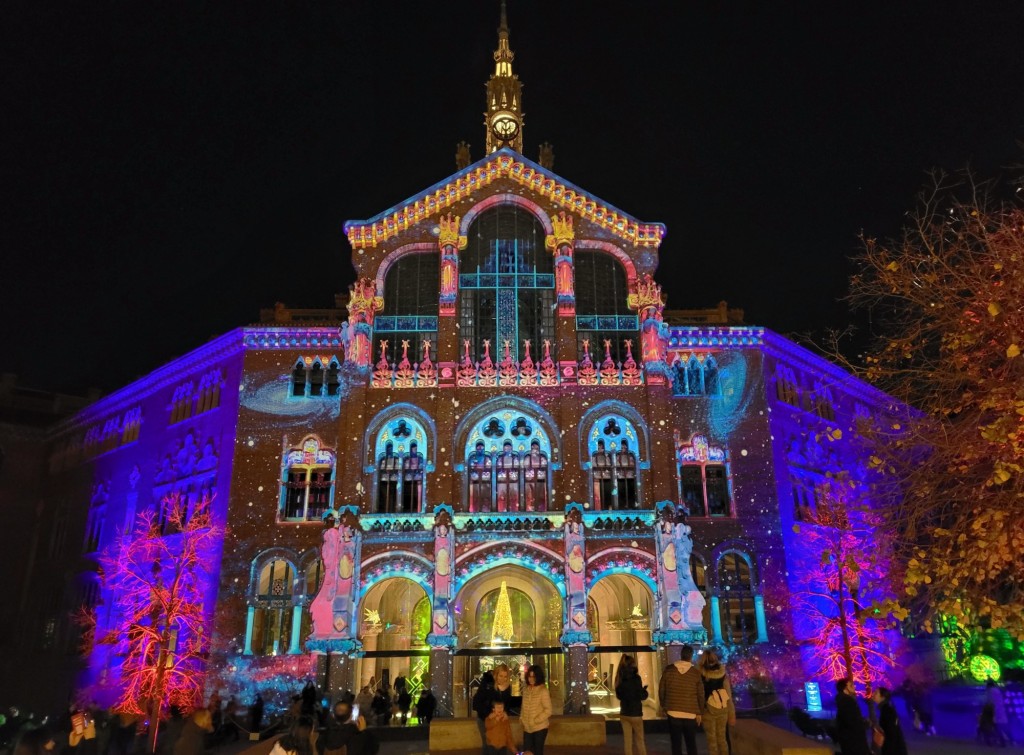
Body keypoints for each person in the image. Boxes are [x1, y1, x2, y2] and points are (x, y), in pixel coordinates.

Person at [658, 646, 704, 755]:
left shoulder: (669, 670)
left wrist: (664, 705)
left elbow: (662, 689)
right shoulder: (695, 673)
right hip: (690, 713)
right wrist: (700, 712)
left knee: (675, 743)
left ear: (681, 654)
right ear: (691, 656)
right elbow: (700, 694)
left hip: (673, 711)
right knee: (691, 743)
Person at [698, 649, 736, 755]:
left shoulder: (701, 675)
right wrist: (731, 714)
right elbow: (728, 695)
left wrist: (698, 712)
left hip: (708, 710)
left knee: (712, 741)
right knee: (722, 739)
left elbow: (700, 695)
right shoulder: (722, 674)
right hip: (722, 708)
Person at [615, 655, 649, 755]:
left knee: (627, 741)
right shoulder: (636, 678)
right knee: (639, 740)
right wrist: (644, 691)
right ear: (632, 665)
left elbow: (619, 696)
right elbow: (641, 696)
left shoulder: (619, 678)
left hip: (624, 713)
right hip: (635, 713)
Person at [521, 665, 552, 755]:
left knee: (538, 751)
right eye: (529, 676)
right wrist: (522, 719)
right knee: (527, 752)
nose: (531, 679)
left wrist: (536, 720)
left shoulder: (543, 691)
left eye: (533, 676)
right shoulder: (526, 690)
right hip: (527, 727)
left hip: (540, 727)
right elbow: (523, 707)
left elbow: (548, 710)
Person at [834, 678, 870, 755]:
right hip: (855, 742)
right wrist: (865, 724)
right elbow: (853, 723)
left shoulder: (842, 701)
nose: (854, 687)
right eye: (851, 685)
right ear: (845, 688)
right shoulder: (848, 702)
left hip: (848, 741)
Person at [871, 687, 906, 755]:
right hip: (892, 747)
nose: (873, 694)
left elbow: (891, 732)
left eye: (876, 693)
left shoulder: (887, 710)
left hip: (893, 748)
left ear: (883, 697)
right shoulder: (885, 708)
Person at [473, 671, 497, 753]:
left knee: (488, 742)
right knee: (488, 742)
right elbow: (477, 703)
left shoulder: (486, 685)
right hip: (484, 718)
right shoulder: (487, 686)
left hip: (485, 717)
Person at [983, 680, 1011, 746]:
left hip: (995, 711)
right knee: (1001, 727)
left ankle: (1000, 741)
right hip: (1000, 710)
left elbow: (989, 701)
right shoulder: (997, 690)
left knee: (996, 727)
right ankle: (1006, 740)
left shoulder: (990, 691)